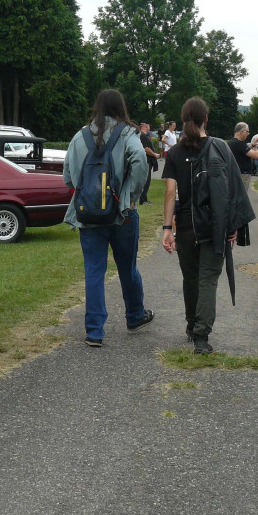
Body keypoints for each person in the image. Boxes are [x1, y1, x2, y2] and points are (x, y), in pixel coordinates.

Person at [162, 97, 255, 355]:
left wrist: (167, 228)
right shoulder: (220, 147)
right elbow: (234, 189)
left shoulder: (174, 153)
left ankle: (192, 326)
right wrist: (234, 225)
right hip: (214, 227)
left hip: (186, 228)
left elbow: (171, 193)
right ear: (206, 119)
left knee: (191, 279)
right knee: (207, 281)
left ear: (182, 120)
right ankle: (201, 338)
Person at [63, 89, 154, 348]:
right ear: (121, 107)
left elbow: (68, 177)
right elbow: (139, 161)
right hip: (122, 213)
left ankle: (94, 331)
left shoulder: (79, 137)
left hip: (88, 215)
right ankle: (135, 315)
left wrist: (85, 191)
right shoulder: (128, 134)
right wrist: (130, 195)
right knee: (127, 267)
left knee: (94, 270)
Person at [228, 122, 258, 193]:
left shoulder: (231, 143)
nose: (248, 134)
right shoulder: (240, 144)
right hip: (243, 174)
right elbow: (256, 155)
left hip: (235, 172)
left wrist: (252, 145)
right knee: (242, 196)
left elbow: (243, 151)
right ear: (242, 131)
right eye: (247, 132)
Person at [138, 121, 160, 205]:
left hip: (147, 161)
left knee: (147, 180)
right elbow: (146, 149)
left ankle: (144, 198)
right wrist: (155, 154)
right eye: (149, 126)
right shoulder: (142, 136)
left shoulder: (144, 136)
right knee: (146, 181)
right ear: (146, 126)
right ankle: (143, 200)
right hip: (146, 161)